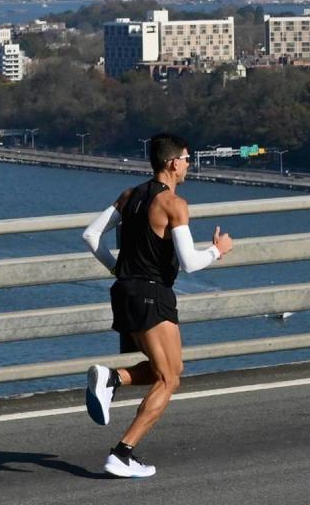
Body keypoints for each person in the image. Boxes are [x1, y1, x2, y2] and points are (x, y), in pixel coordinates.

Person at [82, 133, 233, 478]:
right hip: (153, 294)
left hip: (124, 291)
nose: (189, 164)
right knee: (169, 380)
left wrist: (115, 267)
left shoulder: (130, 195)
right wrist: (218, 250)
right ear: (171, 163)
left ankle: (111, 378)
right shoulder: (173, 204)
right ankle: (122, 453)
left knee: (168, 370)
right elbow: (190, 263)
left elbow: (90, 235)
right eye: (186, 158)